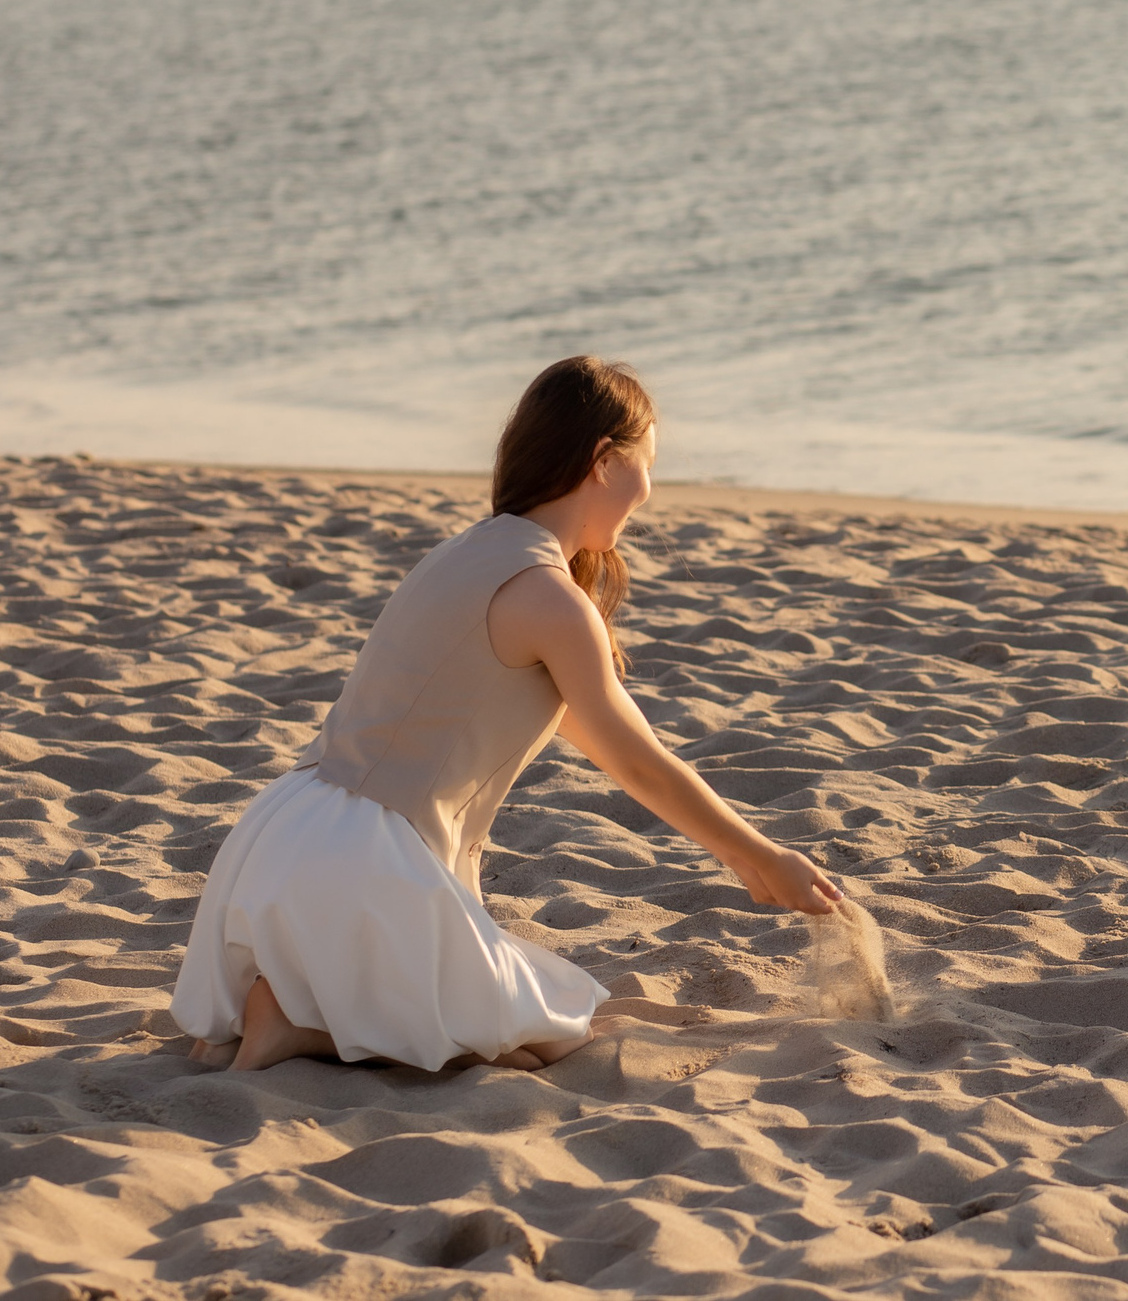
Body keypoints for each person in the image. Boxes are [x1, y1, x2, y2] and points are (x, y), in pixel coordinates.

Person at [170, 356, 839, 1071]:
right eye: (646, 465)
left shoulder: (464, 553)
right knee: (550, 1031)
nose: (649, 489)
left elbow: (603, 740)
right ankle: (302, 1024)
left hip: (280, 841)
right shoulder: (548, 596)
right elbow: (639, 762)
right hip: (362, 867)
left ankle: (294, 1007)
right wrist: (760, 857)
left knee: (517, 1026)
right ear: (604, 461)